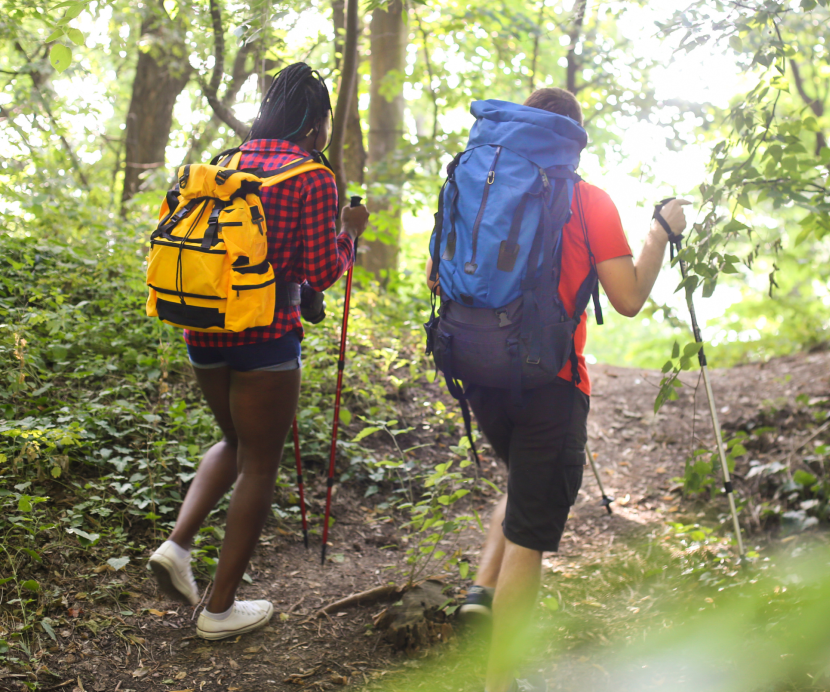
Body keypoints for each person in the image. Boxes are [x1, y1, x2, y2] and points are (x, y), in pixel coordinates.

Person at [427, 87, 688, 692]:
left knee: (525, 486)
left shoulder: (473, 180)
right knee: (532, 535)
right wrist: (659, 234)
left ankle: (480, 594)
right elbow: (626, 299)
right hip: (552, 380)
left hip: (476, 366)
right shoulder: (587, 199)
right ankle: (501, 680)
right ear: (571, 138)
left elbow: (439, 273)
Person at [147, 63, 369, 640]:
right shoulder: (312, 176)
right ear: (316, 126)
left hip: (202, 329)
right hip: (266, 337)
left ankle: (176, 546)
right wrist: (350, 233)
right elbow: (321, 269)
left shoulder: (224, 163)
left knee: (232, 440)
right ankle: (219, 611)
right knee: (260, 463)